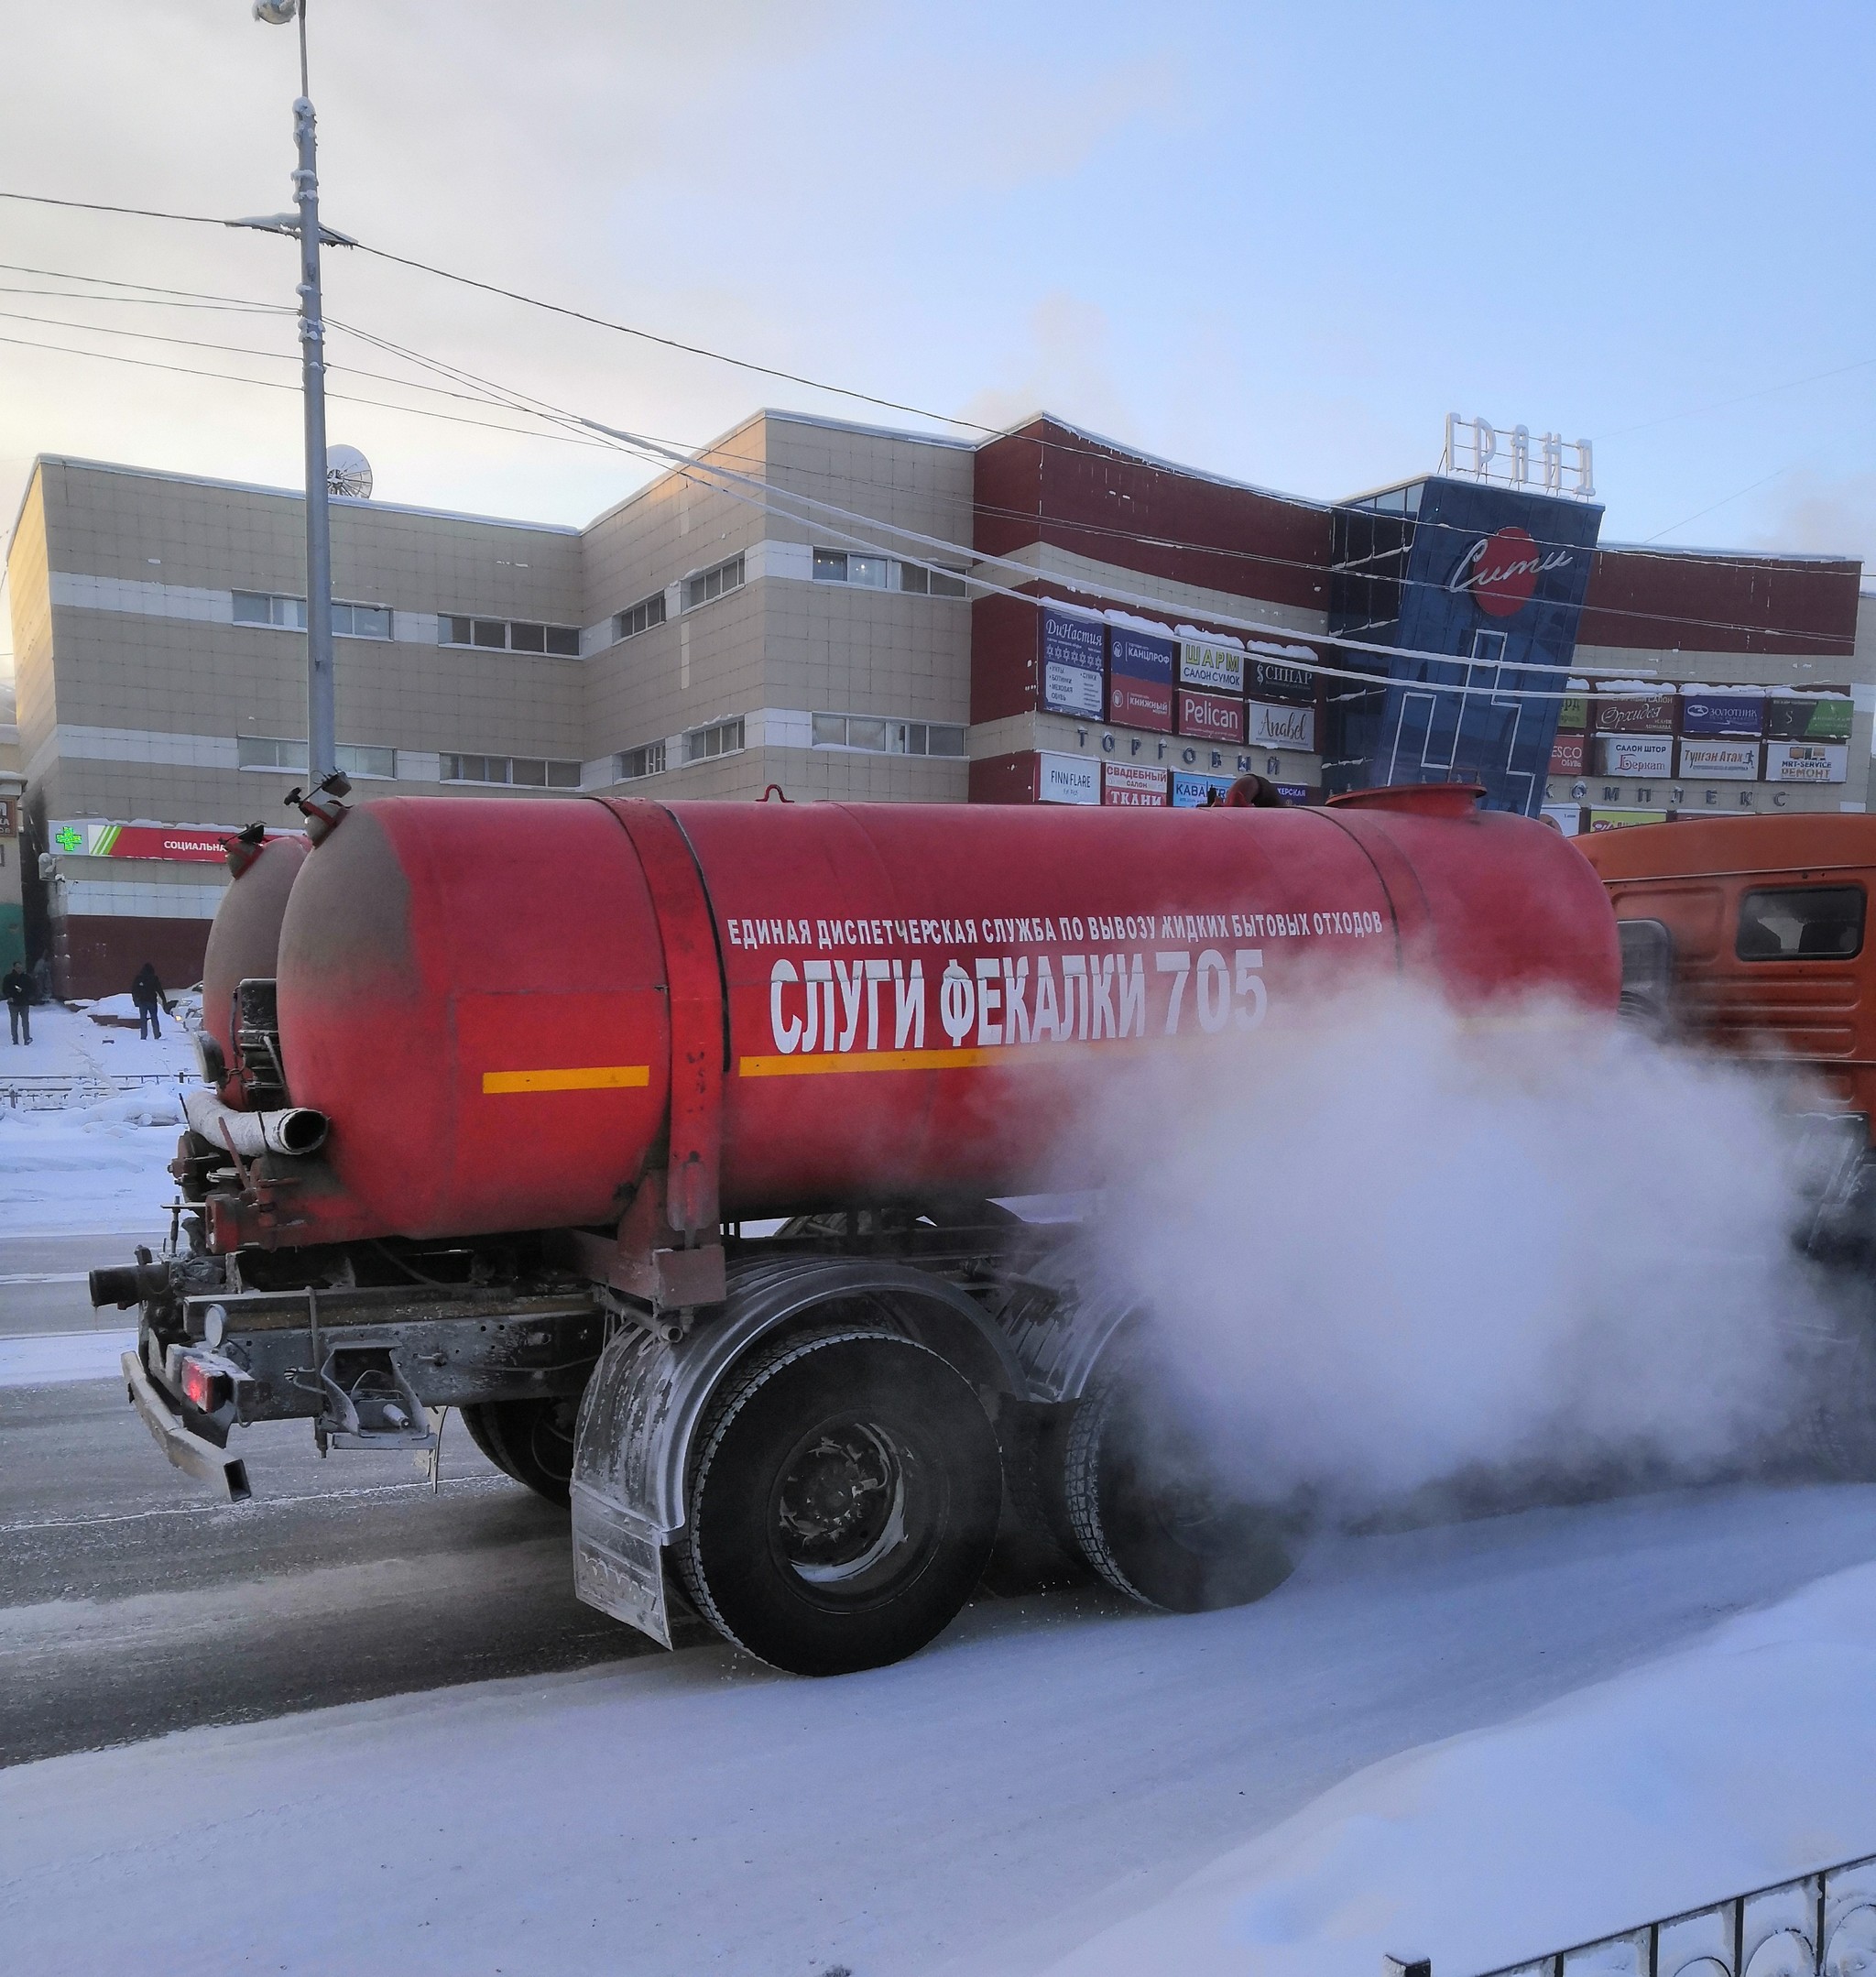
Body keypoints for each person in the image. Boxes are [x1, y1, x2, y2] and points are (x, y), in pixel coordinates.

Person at [131, 960, 168, 1041]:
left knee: (143, 1019)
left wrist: (135, 1000)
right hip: (152, 1001)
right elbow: (159, 989)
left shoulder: (139, 978)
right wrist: (164, 999)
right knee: (154, 1018)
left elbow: (134, 990)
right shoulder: (154, 978)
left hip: (142, 1001)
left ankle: (143, 1036)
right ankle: (157, 1034)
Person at [3, 960, 30, 1046]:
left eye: (21, 968)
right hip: (13, 1003)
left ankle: (27, 1039)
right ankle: (15, 1041)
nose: (19, 969)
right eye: (18, 967)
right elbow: (5, 989)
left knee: (25, 1022)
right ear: (14, 968)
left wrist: (24, 991)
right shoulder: (8, 978)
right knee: (14, 1022)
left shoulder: (26, 978)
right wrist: (9, 996)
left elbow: (31, 989)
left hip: (24, 1003)